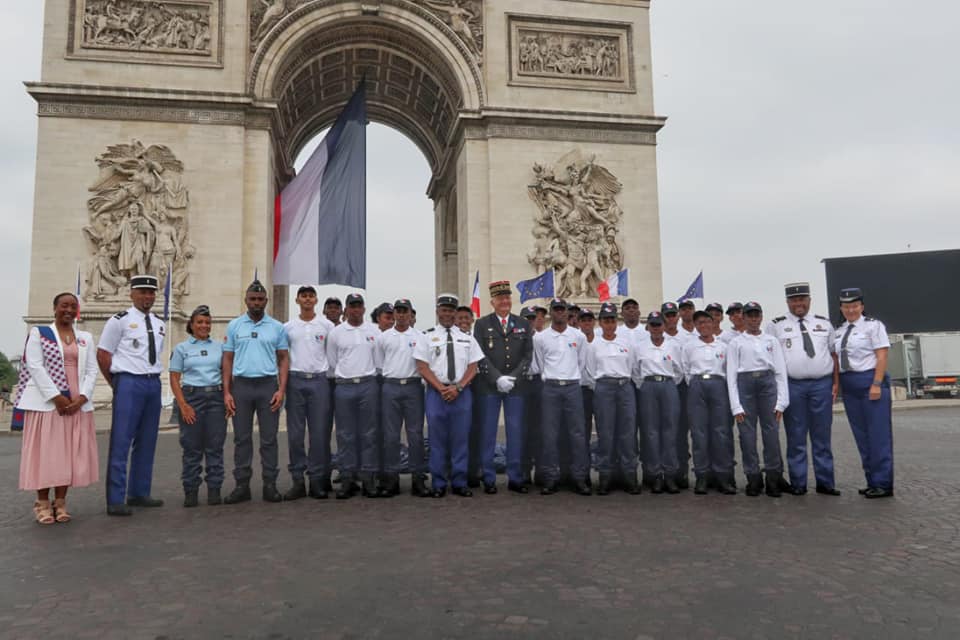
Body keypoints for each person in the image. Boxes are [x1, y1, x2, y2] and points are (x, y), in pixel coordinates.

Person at [15, 292, 99, 524]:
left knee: (67, 454)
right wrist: (56, 397)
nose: (69, 310)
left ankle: (60, 502)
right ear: (55, 308)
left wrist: (82, 397)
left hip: (76, 403)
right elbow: (35, 366)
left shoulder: (85, 338)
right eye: (64, 306)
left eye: (73, 306)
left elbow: (92, 370)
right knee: (46, 453)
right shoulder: (39, 334)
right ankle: (42, 502)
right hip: (47, 404)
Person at [97, 274, 166, 516]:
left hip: (152, 384)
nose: (147, 297)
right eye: (142, 292)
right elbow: (103, 354)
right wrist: (116, 383)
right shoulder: (119, 321)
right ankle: (116, 498)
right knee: (121, 441)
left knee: (147, 441)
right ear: (132, 294)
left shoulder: (160, 323)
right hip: (128, 382)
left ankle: (139, 492)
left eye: (151, 292)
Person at [768, 282, 840, 496]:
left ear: (809, 300)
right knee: (796, 435)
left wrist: (836, 383)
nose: (799, 303)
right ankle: (798, 482)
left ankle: (825, 482)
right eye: (794, 300)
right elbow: (771, 358)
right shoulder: (776, 326)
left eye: (802, 299)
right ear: (788, 302)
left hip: (821, 384)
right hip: (793, 385)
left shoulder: (824, 324)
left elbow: (834, 355)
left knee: (822, 435)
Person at [222, 280, 290, 504]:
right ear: (246, 300)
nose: (256, 303)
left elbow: (283, 359)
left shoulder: (277, 327)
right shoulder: (234, 326)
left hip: (267, 387)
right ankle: (242, 486)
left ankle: (269, 485)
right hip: (241, 387)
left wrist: (281, 389)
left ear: (266, 301)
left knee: (269, 439)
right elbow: (228, 359)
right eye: (252, 299)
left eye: (260, 299)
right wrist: (227, 392)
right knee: (242, 439)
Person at [415, 294, 484, 498]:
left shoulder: (467, 337)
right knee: (437, 441)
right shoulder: (426, 337)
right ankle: (438, 483)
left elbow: (474, 366)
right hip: (437, 394)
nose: (447, 314)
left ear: (455, 313)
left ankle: (459, 482)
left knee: (460, 440)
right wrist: (440, 388)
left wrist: (459, 388)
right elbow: (422, 366)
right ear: (437, 311)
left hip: (461, 393)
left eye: (450, 310)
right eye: (443, 310)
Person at [725, 301, 790, 497]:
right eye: (749, 315)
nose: (753, 319)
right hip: (745, 385)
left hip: (767, 385)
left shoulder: (771, 340)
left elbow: (780, 371)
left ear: (761, 317)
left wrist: (782, 401)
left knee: (771, 434)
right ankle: (753, 477)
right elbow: (731, 376)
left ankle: (772, 477)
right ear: (743, 318)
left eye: (756, 315)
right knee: (747, 435)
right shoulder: (736, 343)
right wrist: (735, 406)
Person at [473, 281, 532, 494]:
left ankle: (515, 478)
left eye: (507, 298)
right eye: (500, 299)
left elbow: (527, 356)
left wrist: (513, 378)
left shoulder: (523, 324)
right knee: (488, 433)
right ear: (493, 302)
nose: (505, 302)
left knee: (515, 433)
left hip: (516, 388)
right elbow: (480, 355)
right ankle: (488, 479)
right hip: (489, 387)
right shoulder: (481, 324)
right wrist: (497, 378)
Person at [835, 287, 893, 499]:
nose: (850, 310)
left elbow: (882, 356)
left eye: (854, 306)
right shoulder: (839, 330)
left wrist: (877, 383)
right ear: (841, 308)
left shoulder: (873, 326)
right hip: (850, 386)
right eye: (846, 306)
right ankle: (872, 480)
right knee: (862, 436)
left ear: (862, 306)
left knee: (878, 436)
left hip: (870, 381)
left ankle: (884, 483)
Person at [169, 305, 227, 507]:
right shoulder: (181, 349)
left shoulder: (220, 347)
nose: (204, 325)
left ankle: (214, 489)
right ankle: (191, 490)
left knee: (215, 447)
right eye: (200, 322)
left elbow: (227, 375)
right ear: (191, 325)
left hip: (216, 399)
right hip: (192, 398)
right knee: (191, 448)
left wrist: (228, 397)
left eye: (207, 322)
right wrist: (183, 405)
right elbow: (174, 378)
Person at [532, 298, 591, 496]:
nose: (559, 313)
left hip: (573, 387)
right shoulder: (540, 338)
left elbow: (581, 362)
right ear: (550, 313)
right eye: (555, 309)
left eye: (562, 310)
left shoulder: (578, 336)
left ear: (567, 313)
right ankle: (550, 478)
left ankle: (579, 477)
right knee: (550, 434)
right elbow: (540, 364)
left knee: (577, 434)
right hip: (551, 387)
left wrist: (570, 378)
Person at [326, 293, 382, 499]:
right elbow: (332, 361)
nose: (356, 310)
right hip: (344, 386)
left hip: (368, 384)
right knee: (345, 434)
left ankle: (368, 478)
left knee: (368, 434)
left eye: (359, 306)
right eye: (352, 306)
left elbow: (378, 360)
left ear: (364, 309)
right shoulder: (336, 333)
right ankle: (347, 478)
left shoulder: (374, 330)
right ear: (346, 309)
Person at [282, 286, 335, 500]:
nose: (307, 299)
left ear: (315, 300)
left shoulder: (327, 325)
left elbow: (332, 353)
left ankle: (316, 480)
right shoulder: (286, 327)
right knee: (295, 435)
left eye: (310, 296)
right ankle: (297, 480)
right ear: (297, 300)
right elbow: (282, 356)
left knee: (319, 434)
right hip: (295, 381)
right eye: (303, 296)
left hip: (319, 381)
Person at [585, 303, 639, 495]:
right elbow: (590, 371)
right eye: (606, 321)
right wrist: (602, 385)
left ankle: (629, 476)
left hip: (624, 387)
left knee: (627, 433)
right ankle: (605, 476)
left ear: (616, 322)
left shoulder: (627, 344)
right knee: (605, 434)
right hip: (604, 387)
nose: (609, 324)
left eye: (612, 321)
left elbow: (633, 367)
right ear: (600, 323)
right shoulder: (594, 346)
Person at [376, 298, 428, 497]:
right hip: (391, 387)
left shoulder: (420, 337)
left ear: (411, 314)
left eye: (405, 311)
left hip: (413, 388)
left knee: (415, 435)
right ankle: (391, 480)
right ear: (394, 314)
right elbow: (380, 364)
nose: (401, 314)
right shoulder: (384, 337)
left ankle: (418, 479)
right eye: (398, 311)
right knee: (391, 436)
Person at [682, 310, 736, 495]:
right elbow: (685, 368)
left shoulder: (723, 346)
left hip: (718, 384)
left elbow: (729, 369)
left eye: (706, 322)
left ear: (713, 324)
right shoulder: (689, 346)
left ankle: (722, 476)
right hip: (697, 384)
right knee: (699, 433)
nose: (703, 326)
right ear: (696, 326)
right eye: (700, 323)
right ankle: (702, 476)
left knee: (720, 432)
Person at [634, 311, 684, 494]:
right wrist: (646, 385)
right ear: (648, 327)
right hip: (648, 386)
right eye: (653, 325)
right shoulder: (639, 347)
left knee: (670, 431)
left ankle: (670, 474)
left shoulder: (674, 345)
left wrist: (667, 384)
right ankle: (655, 474)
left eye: (659, 325)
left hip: (669, 385)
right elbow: (635, 371)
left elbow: (680, 371)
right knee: (651, 432)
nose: (656, 329)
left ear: (664, 326)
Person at [662, 301, 693, 489]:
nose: (671, 318)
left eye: (673, 315)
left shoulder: (688, 338)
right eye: (667, 315)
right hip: (666, 386)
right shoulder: (657, 337)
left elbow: (688, 364)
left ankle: (681, 471)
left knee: (681, 431)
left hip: (682, 388)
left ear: (678, 317)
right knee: (665, 430)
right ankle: (666, 472)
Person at [519, 305, 543, 485]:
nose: (529, 322)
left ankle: (541, 471)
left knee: (540, 429)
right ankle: (524, 471)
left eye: (532, 319)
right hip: (521, 384)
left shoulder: (543, 339)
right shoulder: (514, 339)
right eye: (526, 319)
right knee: (522, 429)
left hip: (538, 383)